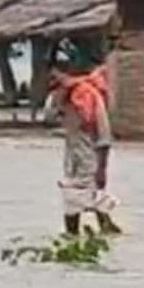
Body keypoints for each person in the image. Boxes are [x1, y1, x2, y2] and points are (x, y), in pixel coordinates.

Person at [48, 66, 122, 236]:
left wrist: (102, 169)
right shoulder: (64, 100)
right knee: (80, 199)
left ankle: (84, 233)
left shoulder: (92, 99)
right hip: (72, 160)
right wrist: (58, 98)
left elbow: (104, 138)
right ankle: (87, 233)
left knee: (81, 199)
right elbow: (49, 117)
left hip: (91, 160)